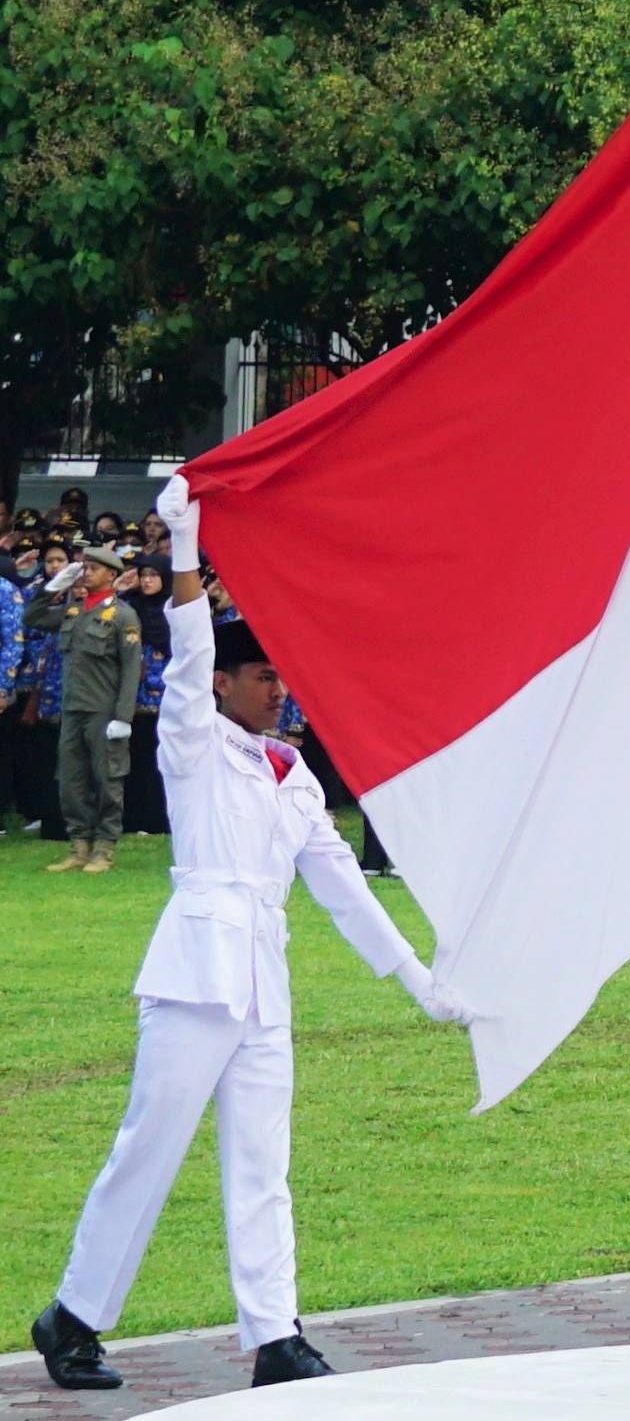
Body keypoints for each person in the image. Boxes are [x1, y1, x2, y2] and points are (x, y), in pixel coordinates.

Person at [37, 503, 464, 1396]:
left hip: (263, 981)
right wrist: (187, 549)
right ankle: (73, 1316)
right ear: (225, 686)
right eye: (263, 676)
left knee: (264, 1166)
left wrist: (421, 980)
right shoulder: (193, 744)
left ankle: (276, 1336)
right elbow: (188, 650)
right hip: (196, 974)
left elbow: (341, 883)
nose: (278, 691)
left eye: (281, 677)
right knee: (147, 1152)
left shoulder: (291, 772)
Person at [36, 550, 142, 872]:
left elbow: (130, 670)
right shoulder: (73, 611)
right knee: (71, 780)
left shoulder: (123, 616)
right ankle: (79, 844)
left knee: (108, 778)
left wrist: (123, 717)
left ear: (111, 575)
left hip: (104, 711)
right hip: (73, 709)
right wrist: (52, 588)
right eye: (84, 568)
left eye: (93, 569)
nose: (85, 573)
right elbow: (34, 618)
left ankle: (104, 848)